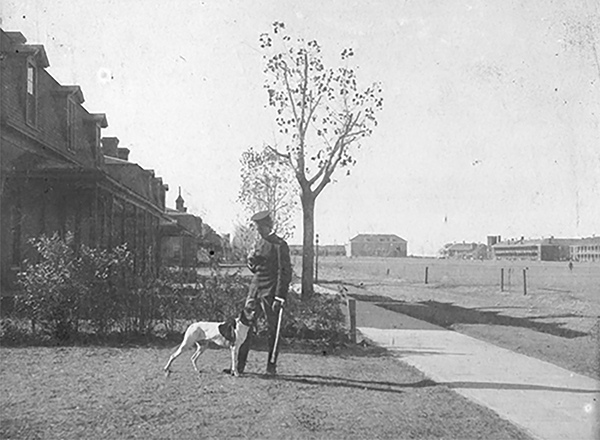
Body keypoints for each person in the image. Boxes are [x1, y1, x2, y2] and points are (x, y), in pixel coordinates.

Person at [234, 210, 292, 375]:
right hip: (254, 291)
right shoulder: (258, 243)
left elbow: (284, 272)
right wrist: (250, 262)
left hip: (271, 293)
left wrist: (279, 297)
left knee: (273, 330)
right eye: (257, 227)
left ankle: (271, 368)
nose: (258, 230)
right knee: (244, 327)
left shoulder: (280, 245)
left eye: (260, 227)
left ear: (268, 226)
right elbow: (256, 268)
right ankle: (238, 367)